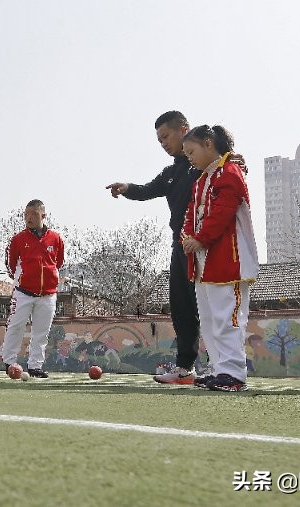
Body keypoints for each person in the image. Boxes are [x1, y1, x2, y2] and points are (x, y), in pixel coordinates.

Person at [106, 111, 203, 385]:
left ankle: (225, 366)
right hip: (180, 246)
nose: (163, 143)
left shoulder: (206, 164)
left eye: (166, 137)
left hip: (206, 245)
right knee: (181, 308)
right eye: (159, 140)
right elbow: (147, 189)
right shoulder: (171, 173)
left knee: (210, 307)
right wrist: (126, 187)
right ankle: (185, 369)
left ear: (184, 129)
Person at [181, 125, 258, 392]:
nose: (188, 157)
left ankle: (234, 373)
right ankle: (219, 367)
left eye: (191, 151)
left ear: (209, 143)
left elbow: (223, 212)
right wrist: (188, 236)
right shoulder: (202, 179)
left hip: (229, 260)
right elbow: (190, 214)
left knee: (229, 317)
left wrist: (200, 238)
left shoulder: (230, 172)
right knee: (211, 318)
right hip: (204, 263)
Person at [1, 199, 65, 378]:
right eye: (26, 214)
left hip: (48, 294)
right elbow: (11, 264)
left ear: (43, 215)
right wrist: (21, 279)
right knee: (15, 326)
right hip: (23, 292)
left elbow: (58, 262)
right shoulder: (18, 239)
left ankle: (35, 366)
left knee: (41, 332)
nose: (29, 218)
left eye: (34, 214)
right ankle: (10, 362)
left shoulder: (56, 238)